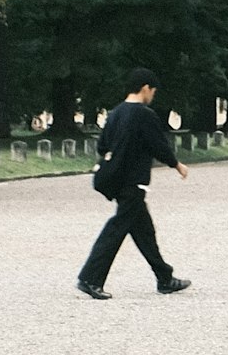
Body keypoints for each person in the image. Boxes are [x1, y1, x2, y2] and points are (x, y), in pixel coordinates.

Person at [78, 71, 190, 297]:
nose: (153, 96)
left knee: (144, 231)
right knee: (116, 229)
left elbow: (102, 146)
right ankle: (90, 278)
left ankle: (164, 277)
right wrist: (177, 165)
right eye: (153, 91)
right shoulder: (144, 115)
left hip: (117, 180)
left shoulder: (115, 113)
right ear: (145, 88)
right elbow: (159, 145)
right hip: (133, 181)